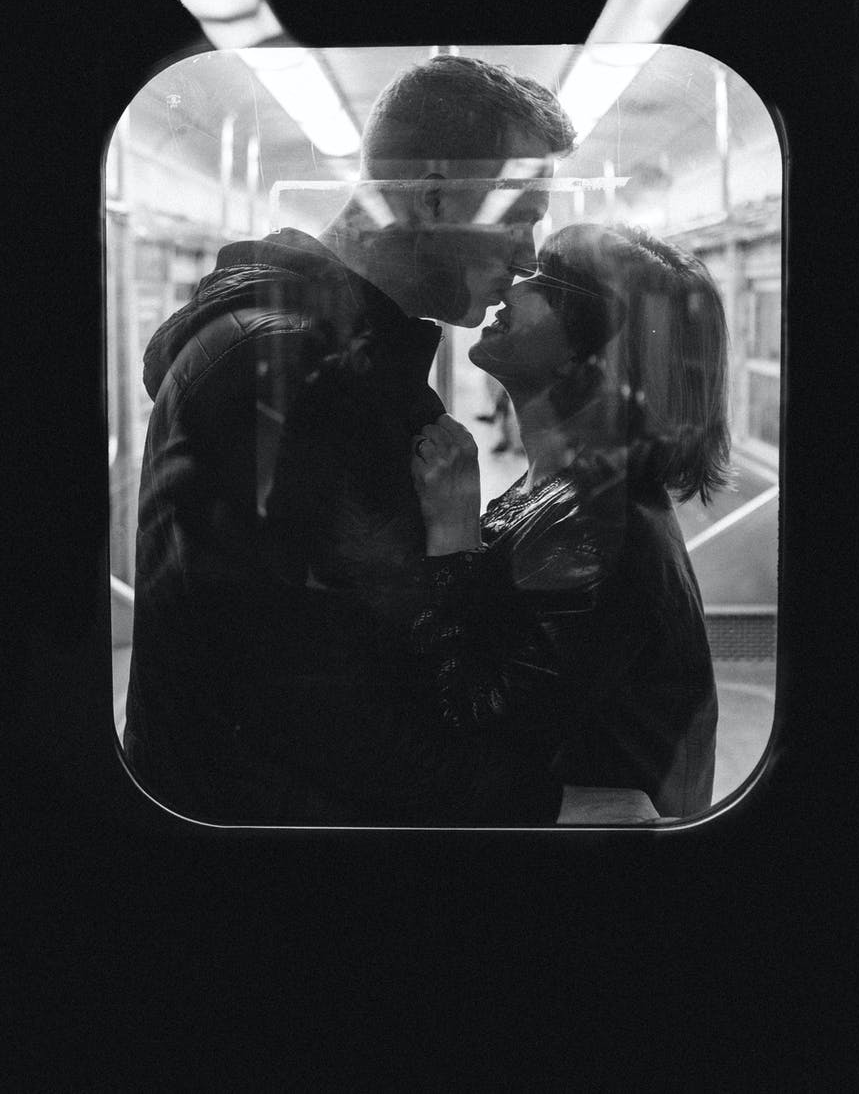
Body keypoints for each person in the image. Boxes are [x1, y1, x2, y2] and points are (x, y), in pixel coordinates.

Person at [123, 54, 577, 825]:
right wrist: (514, 801)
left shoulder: (333, 361)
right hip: (267, 866)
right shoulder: (289, 373)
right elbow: (322, 707)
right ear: (432, 201)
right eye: (519, 216)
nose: (529, 256)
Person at [410, 223, 729, 818]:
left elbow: (464, 734)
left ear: (593, 360)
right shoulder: (575, 494)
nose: (513, 290)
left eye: (546, 287)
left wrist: (451, 537)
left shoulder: (594, 529)